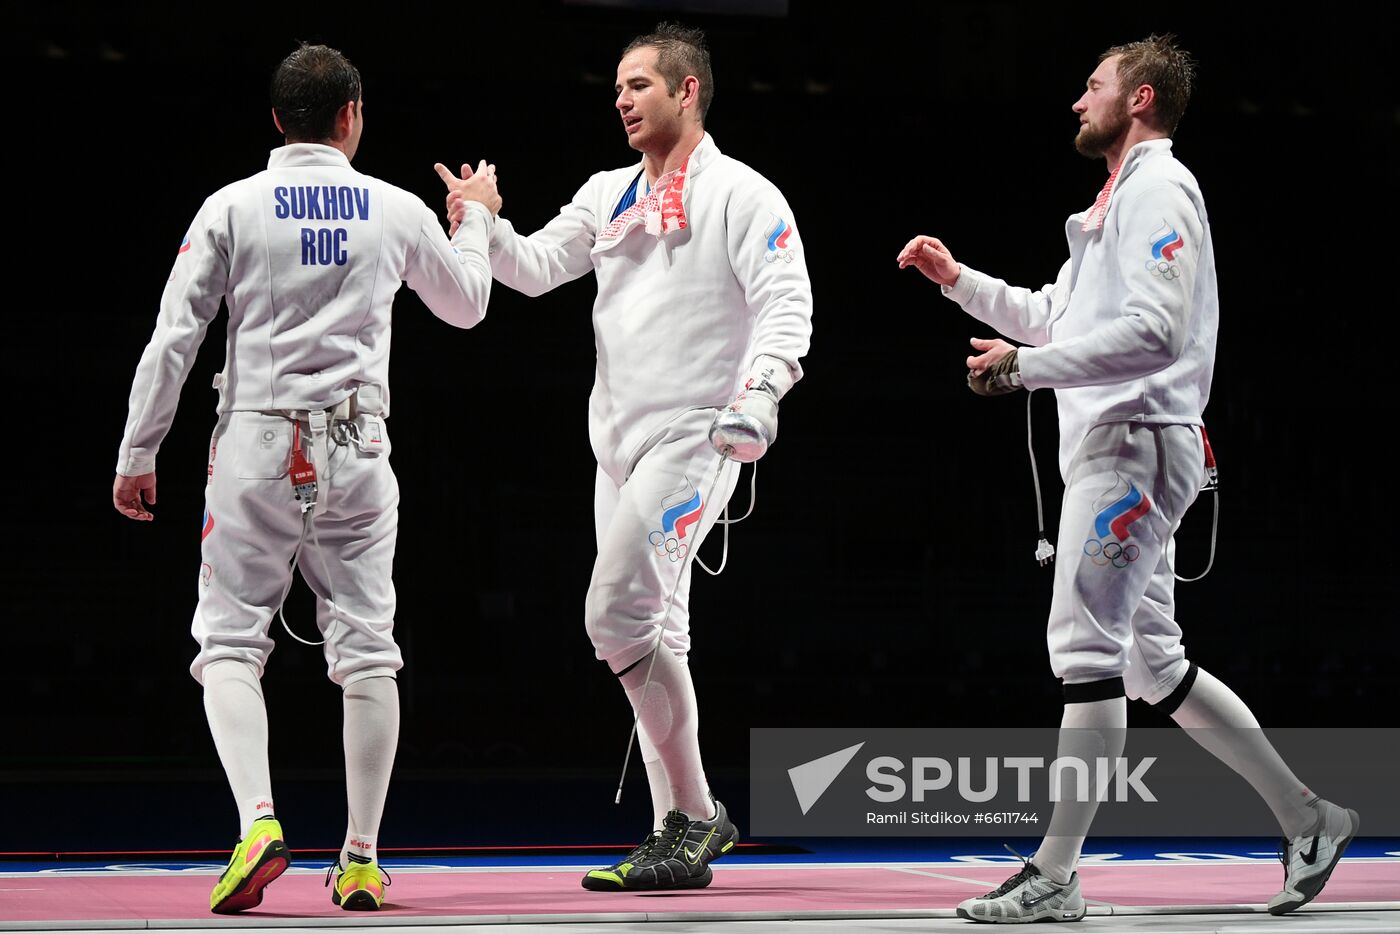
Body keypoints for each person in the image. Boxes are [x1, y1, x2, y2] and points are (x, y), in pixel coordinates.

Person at [898, 34, 1357, 923]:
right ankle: (1311, 819)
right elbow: (1053, 313)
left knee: (1083, 652)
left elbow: (1154, 332)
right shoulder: (1114, 204)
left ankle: (1057, 875)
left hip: (1134, 447)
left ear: (1140, 99)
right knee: (1151, 663)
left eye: (1093, 85)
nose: (1079, 100)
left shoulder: (1160, 189)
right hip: (1123, 444)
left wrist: (1026, 372)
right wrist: (960, 283)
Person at [112, 43, 499, 914]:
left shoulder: (232, 206)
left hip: (256, 444)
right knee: (367, 648)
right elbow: (469, 305)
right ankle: (359, 857)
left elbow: (175, 337)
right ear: (351, 115)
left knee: (228, 644)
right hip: (359, 447)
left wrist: (140, 452)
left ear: (277, 120)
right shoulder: (395, 208)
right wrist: (473, 214)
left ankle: (258, 823)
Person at [442, 23, 812, 892]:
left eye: (639, 84)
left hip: (697, 435)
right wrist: (484, 222)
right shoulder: (608, 192)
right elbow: (533, 269)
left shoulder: (746, 194)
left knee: (612, 616)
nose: (621, 97)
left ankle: (695, 816)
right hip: (616, 445)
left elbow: (785, 307)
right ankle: (675, 833)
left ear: (687, 91)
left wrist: (758, 398)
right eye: (617, 86)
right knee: (655, 631)